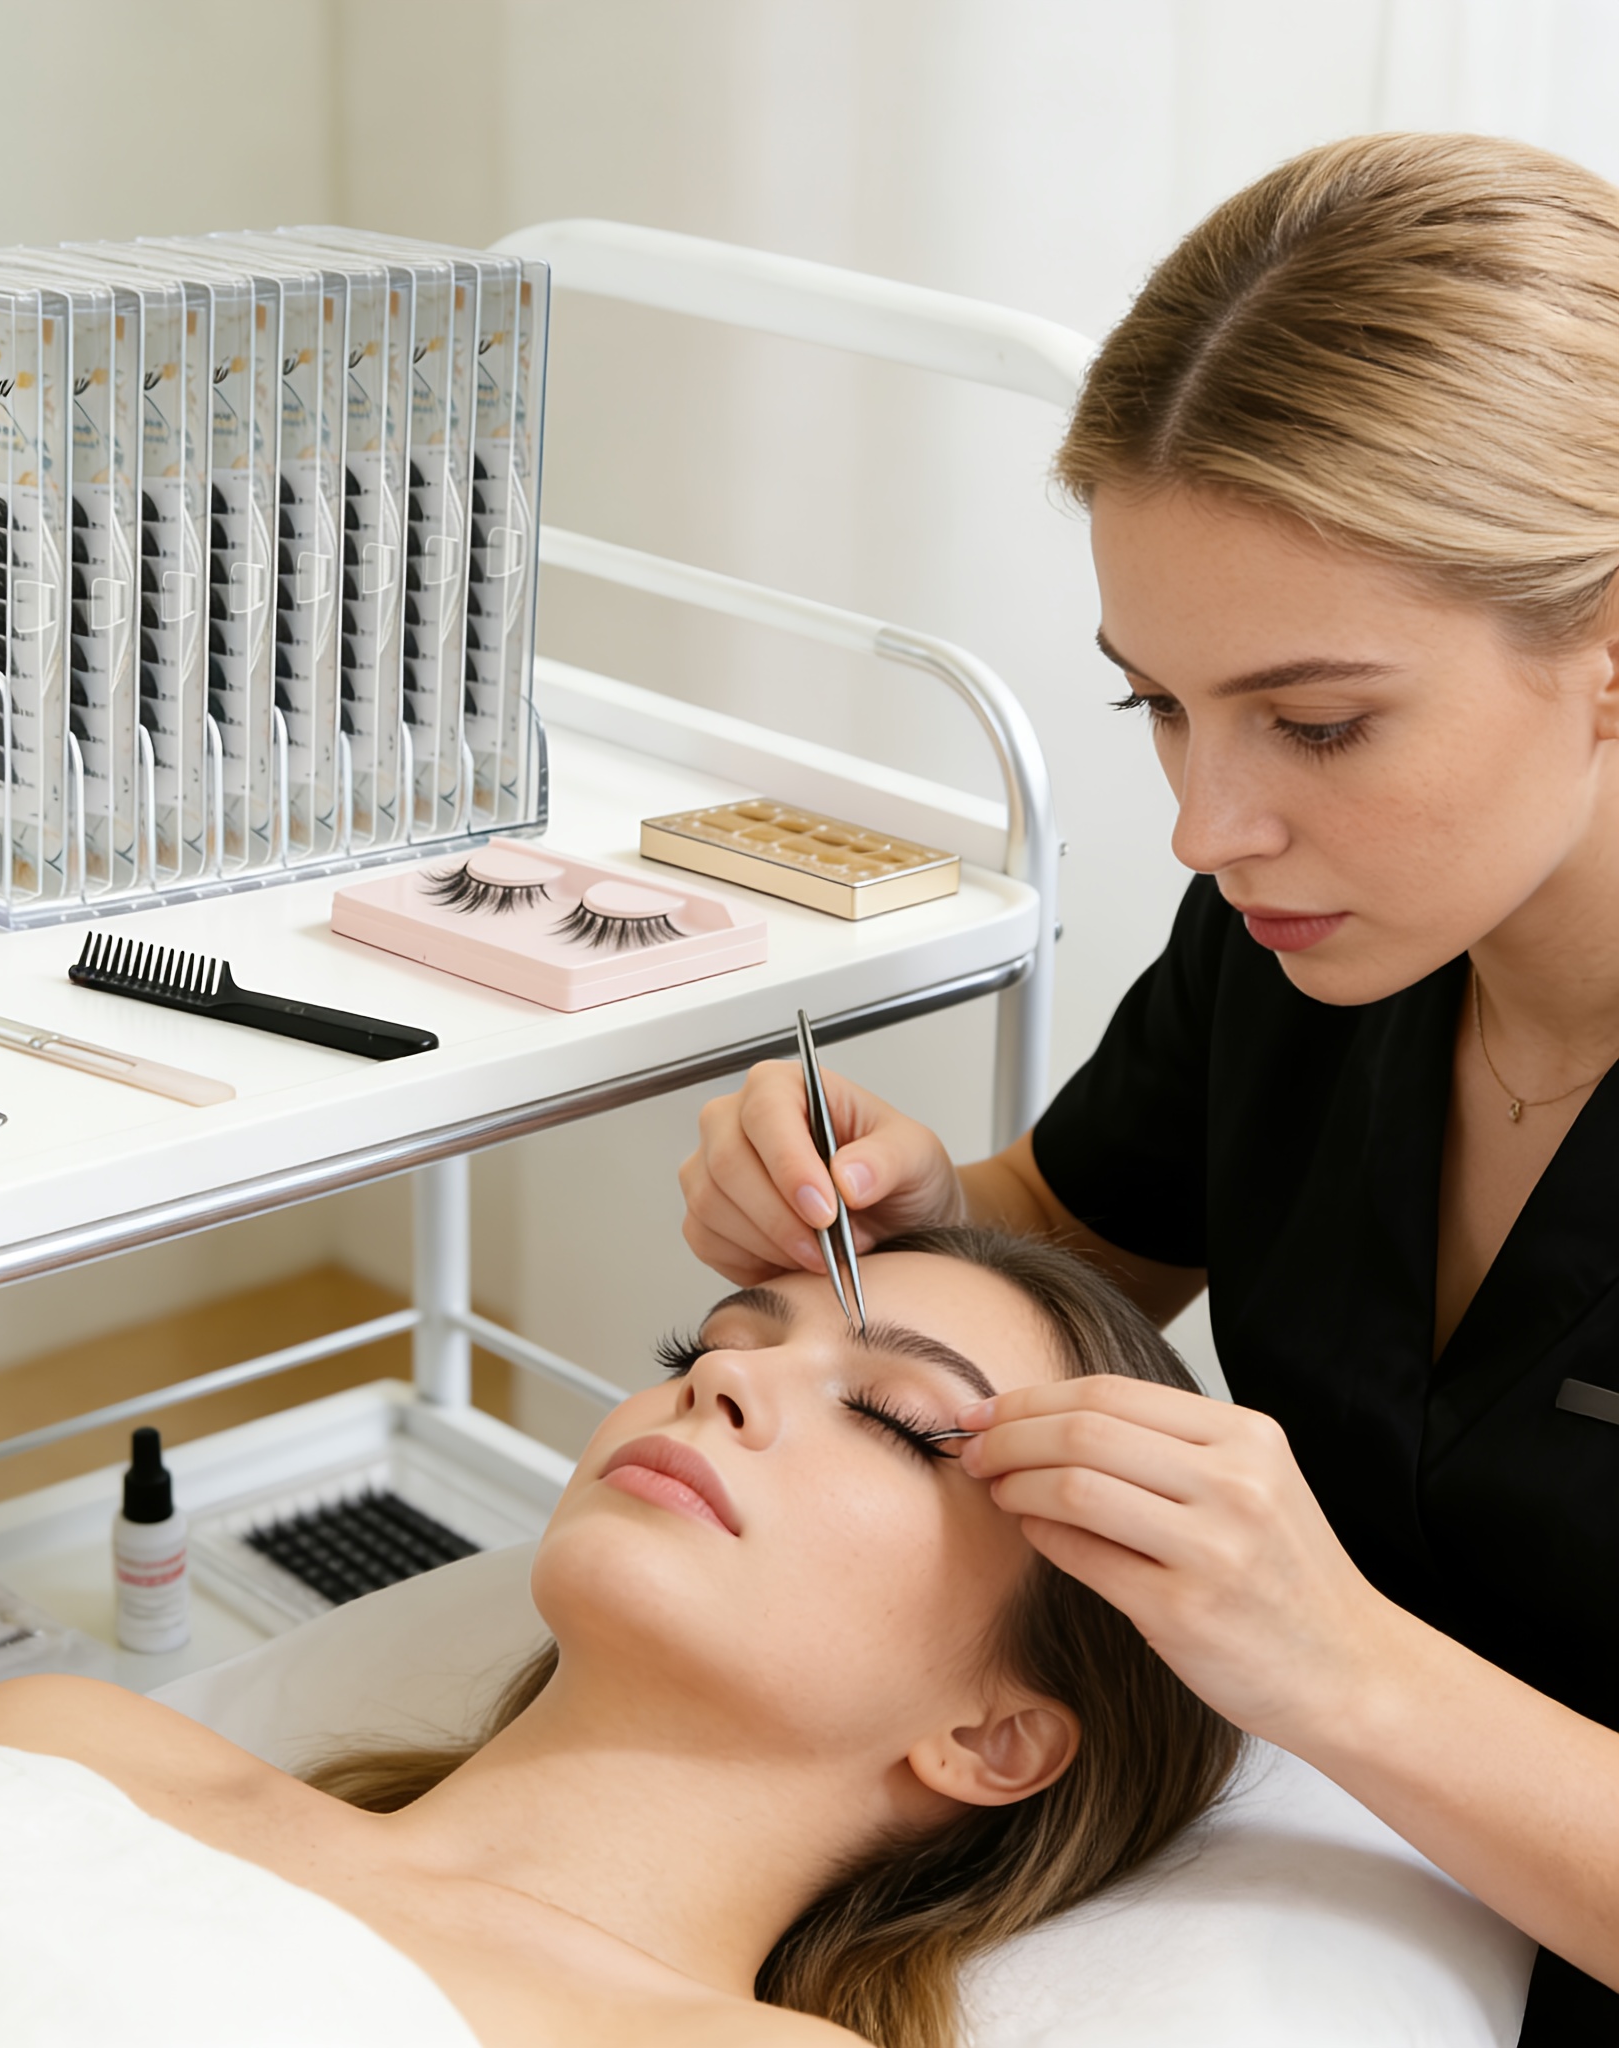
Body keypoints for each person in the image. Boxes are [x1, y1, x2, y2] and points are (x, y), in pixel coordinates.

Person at [679, 131, 1619, 2040]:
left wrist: (1334, 1662)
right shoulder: (1312, 941)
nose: (1207, 823)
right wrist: (916, 1221)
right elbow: (1080, 1228)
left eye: (1320, 722)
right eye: (1159, 704)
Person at [0, 1230, 1237, 2048]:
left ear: (993, 1739)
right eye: (701, 1346)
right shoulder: (64, 1743)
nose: (721, 1375)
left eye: (894, 1416)